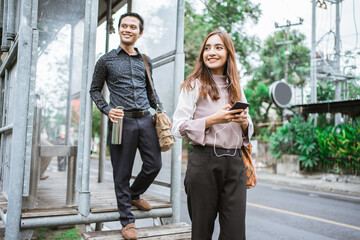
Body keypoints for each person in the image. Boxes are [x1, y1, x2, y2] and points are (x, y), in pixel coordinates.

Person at [90, 12, 170, 240]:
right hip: (120, 121)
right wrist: (107, 109)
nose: (128, 29)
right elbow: (94, 89)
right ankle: (127, 221)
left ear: (139, 32)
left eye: (132, 27)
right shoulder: (105, 60)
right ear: (119, 29)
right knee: (121, 172)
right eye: (124, 25)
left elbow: (150, 91)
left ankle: (134, 194)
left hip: (145, 119)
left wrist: (161, 110)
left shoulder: (146, 60)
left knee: (154, 164)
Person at [172, 30, 254, 240]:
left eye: (218, 47)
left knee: (235, 234)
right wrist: (212, 120)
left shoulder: (236, 86)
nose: (211, 52)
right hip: (204, 162)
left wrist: (245, 122)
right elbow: (177, 127)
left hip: (235, 163)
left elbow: (249, 127)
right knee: (202, 233)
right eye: (207, 48)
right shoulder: (193, 84)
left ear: (228, 53)